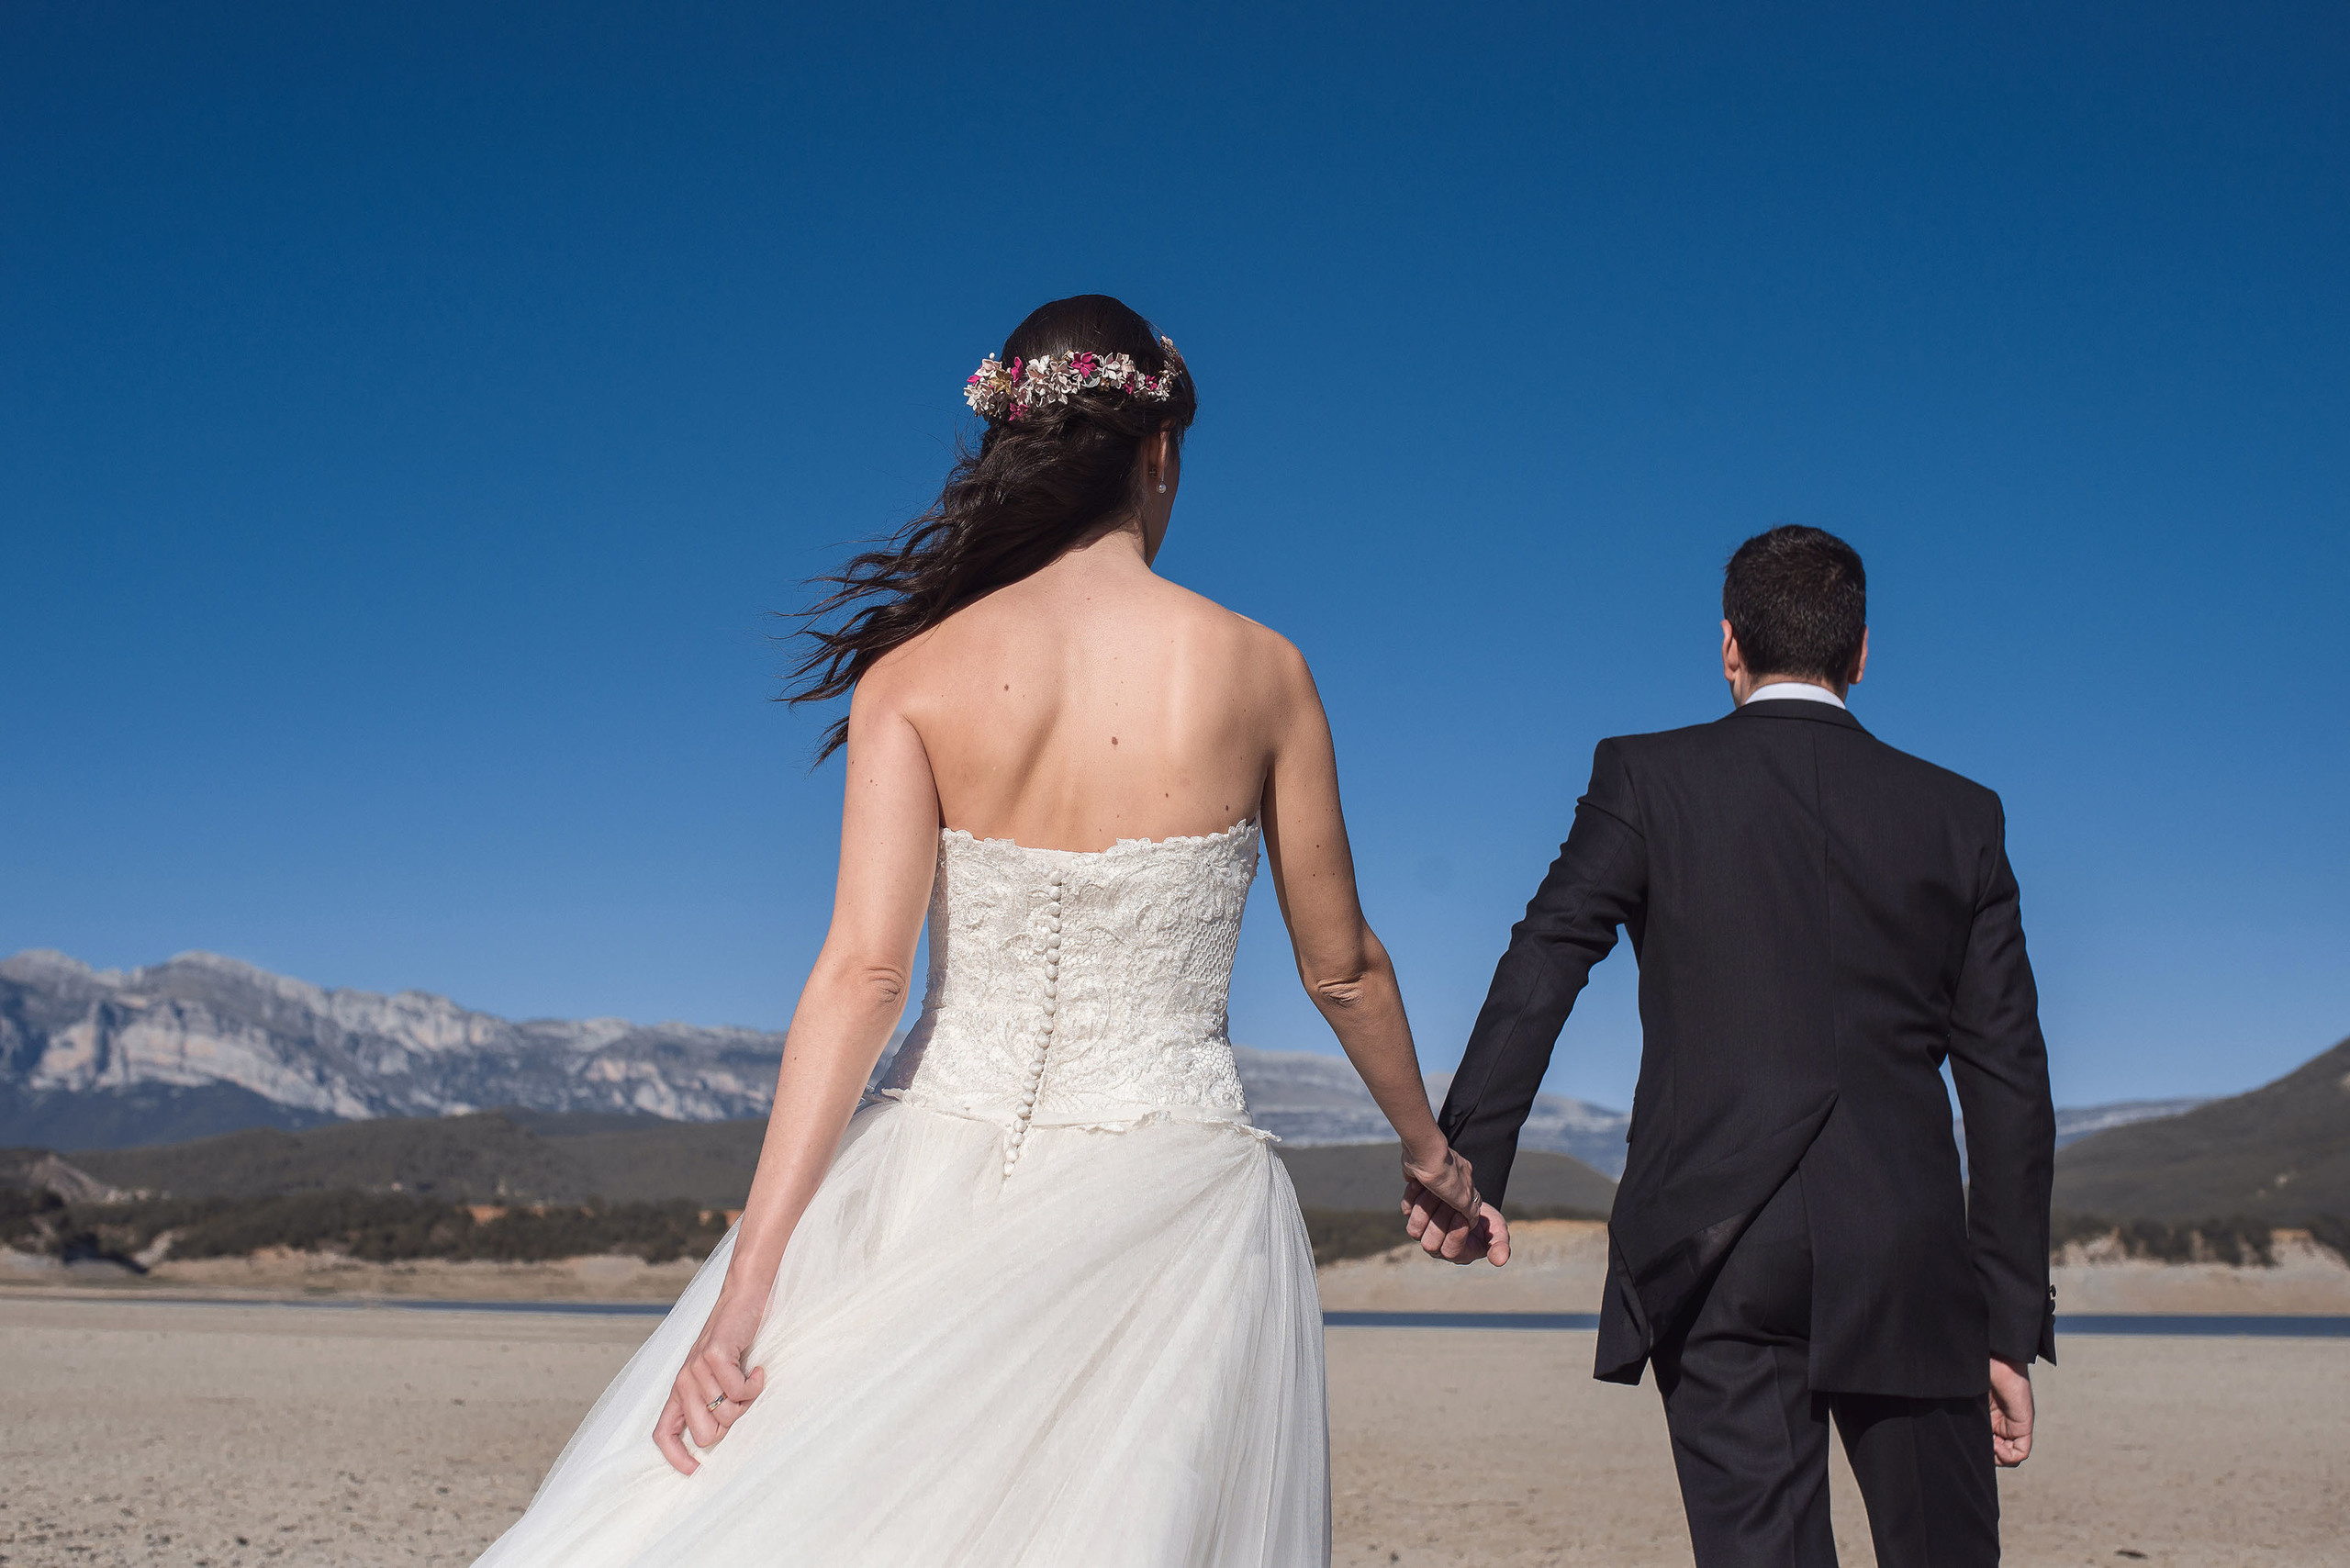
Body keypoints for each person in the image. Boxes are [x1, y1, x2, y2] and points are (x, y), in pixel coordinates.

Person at [473, 295, 1498, 1568]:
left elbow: (861, 975)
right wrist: (1429, 1153)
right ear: (1159, 451)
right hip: (1168, 1199)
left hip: (925, 1177)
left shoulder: (911, 677)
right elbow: (1343, 969)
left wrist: (751, 1281)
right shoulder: (1262, 670)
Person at [1416, 526, 2055, 1568]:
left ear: (1728, 647)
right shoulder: (1959, 817)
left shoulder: (1645, 779)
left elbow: (1546, 957)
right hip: (1908, 1254)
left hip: (1715, 1248)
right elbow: (2008, 1081)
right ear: (1859, 654)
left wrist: (1468, 1156)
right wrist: (2007, 1314)